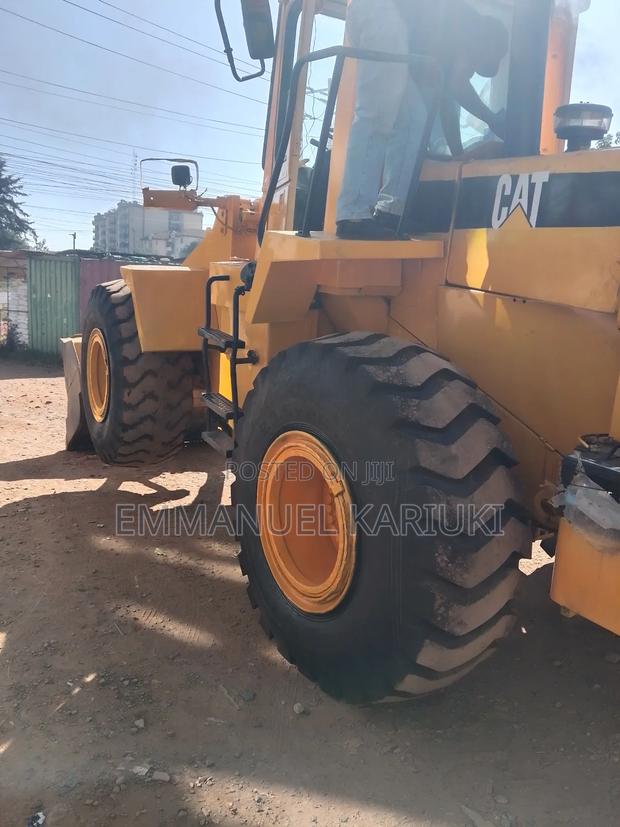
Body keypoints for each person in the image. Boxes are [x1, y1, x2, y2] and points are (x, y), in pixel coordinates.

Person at [336, 0, 509, 240]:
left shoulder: (452, 38)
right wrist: (491, 119)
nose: (475, 69)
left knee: (413, 119)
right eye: (494, 56)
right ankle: (353, 214)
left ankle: (391, 211)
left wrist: (457, 154)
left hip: (388, 23)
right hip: (383, 12)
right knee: (377, 113)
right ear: (489, 42)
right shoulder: (472, 29)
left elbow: (446, 102)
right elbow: (458, 85)